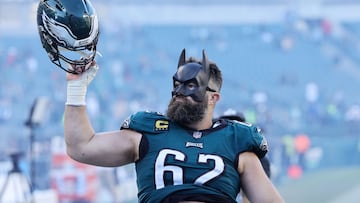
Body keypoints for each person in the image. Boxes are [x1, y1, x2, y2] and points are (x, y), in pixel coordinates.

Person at [37, 1, 285, 202]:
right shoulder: (148, 132)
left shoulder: (235, 142)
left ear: (213, 98)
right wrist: (76, 88)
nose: (179, 92)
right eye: (176, 85)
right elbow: (81, 146)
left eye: (190, 86)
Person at [218, 110, 272, 203]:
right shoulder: (211, 153)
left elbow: (260, 193)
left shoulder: (257, 159)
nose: (231, 129)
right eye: (227, 124)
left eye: (235, 123)